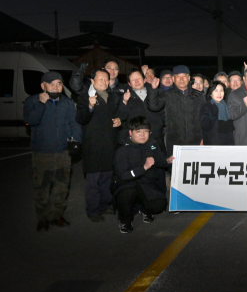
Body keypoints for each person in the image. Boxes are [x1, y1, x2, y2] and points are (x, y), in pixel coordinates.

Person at [24, 71, 82, 231]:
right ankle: (42, 217)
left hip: (63, 152)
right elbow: (30, 120)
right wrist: (41, 104)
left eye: (59, 83)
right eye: (52, 83)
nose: (56, 87)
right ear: (43, 86)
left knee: (62, 186)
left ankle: (57, 215)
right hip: (42, 153)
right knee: (42, 187)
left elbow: (74, 123)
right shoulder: (32, 101)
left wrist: (76, 140)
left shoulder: (68, 102)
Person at [76, 69, 125, 222]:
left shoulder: (112, 97)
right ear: (92, 80)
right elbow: (81, 119)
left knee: (107, 177)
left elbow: (117, 115)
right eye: (100, 79)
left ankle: (106, 204)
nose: (103, 82)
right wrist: (89, 107)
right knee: (93, 180)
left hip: (109, 144)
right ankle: (93, 210)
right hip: (93, 146)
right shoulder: (85, 97)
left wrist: (119, 121)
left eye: (106, 79)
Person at [112, 116, 175, 234]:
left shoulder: (152, 144)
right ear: (130, 132)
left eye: (145, 131)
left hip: (146, 184)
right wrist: (144, 168)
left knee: (160, 205)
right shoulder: (122, 149)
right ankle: (125, 220)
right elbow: (123, 176)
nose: (143, 135)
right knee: (127, 195)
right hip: (127, 185)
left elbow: (160, 160)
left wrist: (167, 160)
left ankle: (143, 208)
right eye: (138, 131)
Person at [146, 65, 206, 156]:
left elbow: (203, 119)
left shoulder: (198, 96)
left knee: (194, 169)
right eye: (178, 76)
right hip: (174, 142)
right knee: (176, 168)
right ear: (173, 79)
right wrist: (153, 90)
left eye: (184, 76)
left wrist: (203, 138)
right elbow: (153, 106)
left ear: (189, 78)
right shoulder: (167, 95)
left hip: (195, 141)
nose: (181, 79)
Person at [121, 69, 165, 153]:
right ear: (129, 83)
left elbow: (164, 112)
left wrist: (160, 126)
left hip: (156, 136)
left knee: (160, 161)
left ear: (144, 80)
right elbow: (121, 116)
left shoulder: (156, 91)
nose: (137, 81)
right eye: (133, 79)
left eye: (139, 78)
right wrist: (124, 102)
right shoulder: (125, 96)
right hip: (138, 139)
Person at [200, 81, 234, 146]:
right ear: (210, 93)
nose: (219, 93)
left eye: (221, 90)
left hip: (226, 144)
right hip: (213, 144)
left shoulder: (224, 105)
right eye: (216, 90)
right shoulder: (207, 106)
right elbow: (204, 125)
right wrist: (213, 115)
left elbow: (229, 128)